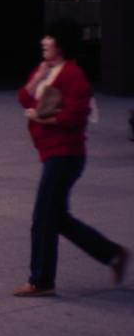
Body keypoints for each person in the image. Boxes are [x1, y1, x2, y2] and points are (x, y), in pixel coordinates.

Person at [14, 19, 128, 297]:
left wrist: (44, 118)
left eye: (49, 37)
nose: (44, 41)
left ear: (61, 43)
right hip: (52, 153)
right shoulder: (47, 71)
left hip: (65, 155)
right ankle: (113, 254)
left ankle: (41, 281)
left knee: (43, 218)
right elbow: (23, 98)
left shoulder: (73, 74)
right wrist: (37, 80)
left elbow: (76, 115)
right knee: (58, 218)